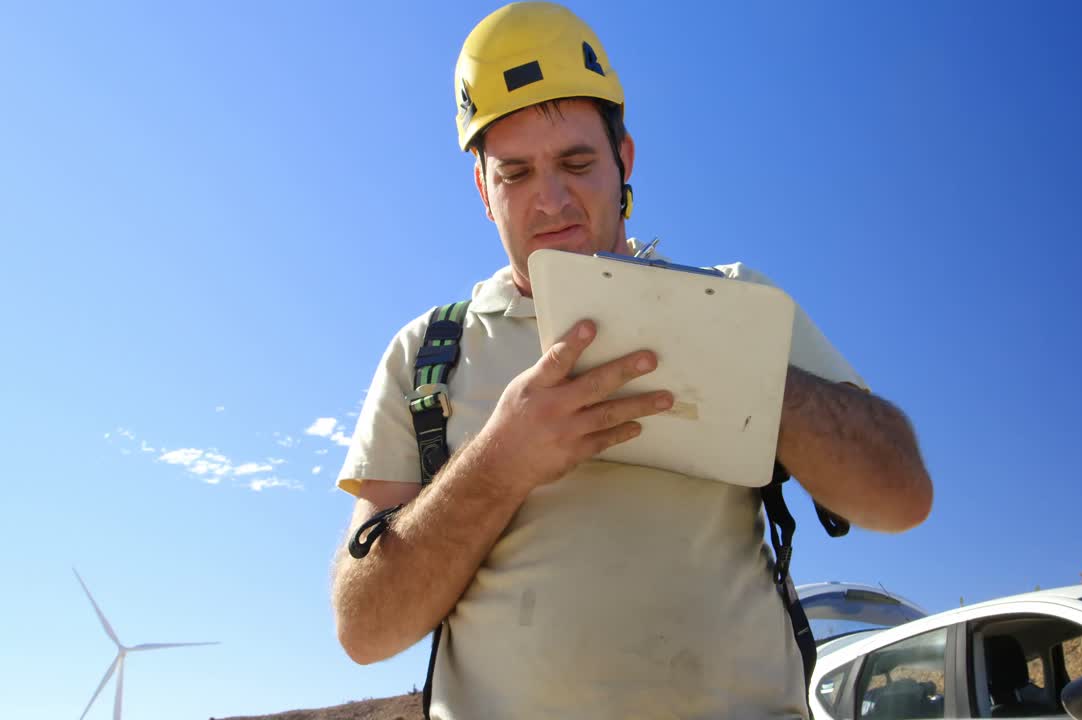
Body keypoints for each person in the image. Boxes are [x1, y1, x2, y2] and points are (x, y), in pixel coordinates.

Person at [330, 3, 932, 718]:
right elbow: (364, 630)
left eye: (577, 163)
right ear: (483, 193)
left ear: (625, 161)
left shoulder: (735, 302)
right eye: (515, 173)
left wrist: (735, 366)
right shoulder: (427, 355)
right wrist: (502, 460)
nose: (551, 200)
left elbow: (901, 495)